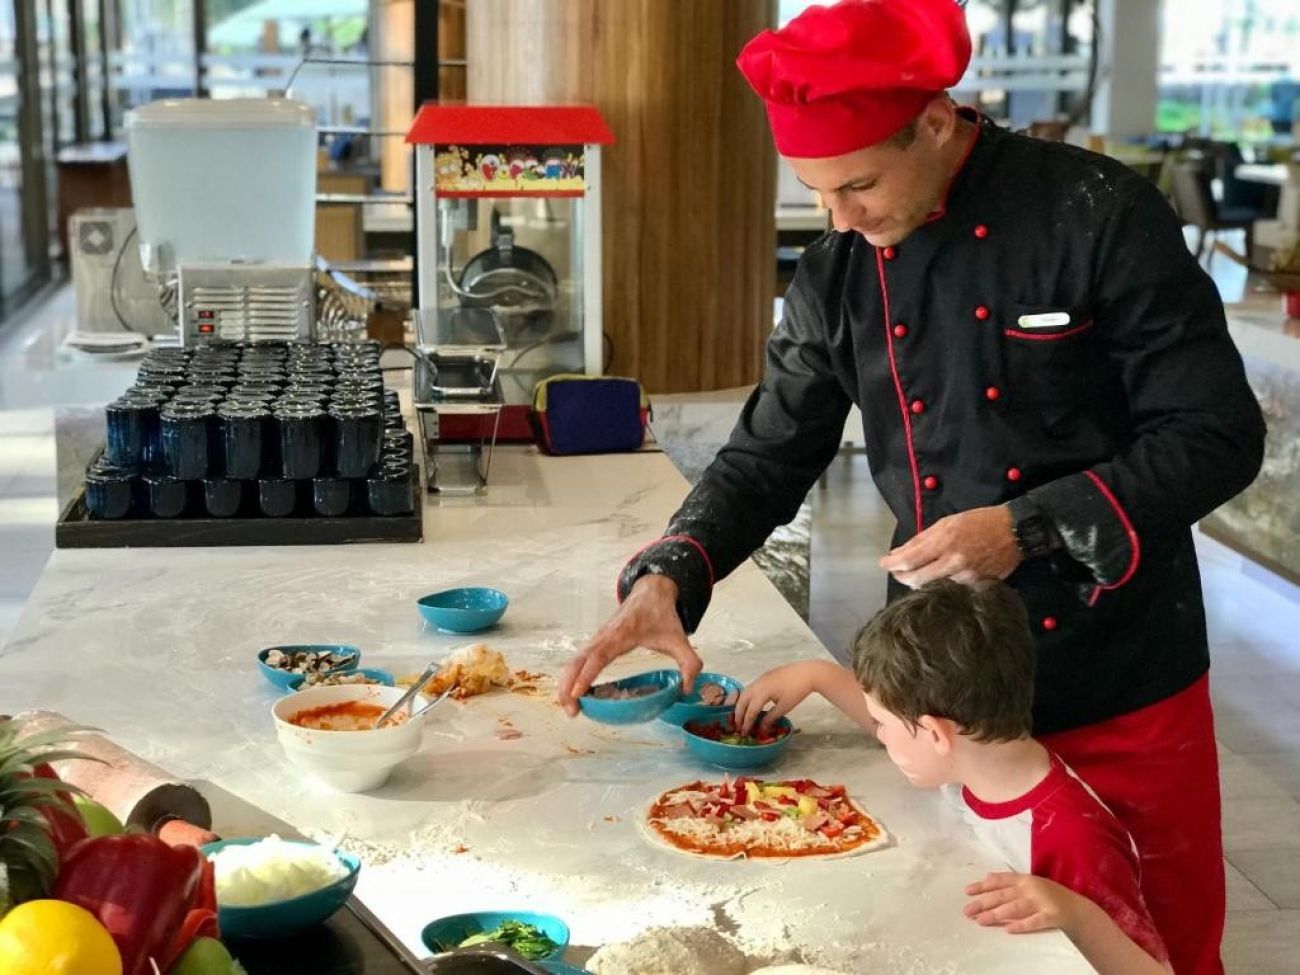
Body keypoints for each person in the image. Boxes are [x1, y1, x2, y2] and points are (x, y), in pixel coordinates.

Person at [556, 2, 1264, 972]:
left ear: (935, 123)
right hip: (941, 690)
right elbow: (768, 452)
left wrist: (1026, 526)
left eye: (858, 185)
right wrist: (670, 573)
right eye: (817, 194)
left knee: (1158, 945)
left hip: (1115, 665)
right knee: (973, 942)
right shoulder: (838, 269)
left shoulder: (1098, 213)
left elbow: (1217, 434)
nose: (841, 221)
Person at [736, 580, 1170, 974]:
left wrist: (1077, 915)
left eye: (881, 723)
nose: (877, 732)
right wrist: (818, 676)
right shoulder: (975, 750)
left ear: (935, 734)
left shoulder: (1071, 838)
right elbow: (910, 728)